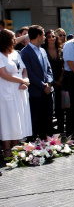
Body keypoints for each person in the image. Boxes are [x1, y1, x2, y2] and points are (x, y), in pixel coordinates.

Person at [0, 29, 32, 159]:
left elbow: (23, 69)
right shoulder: (0, 55)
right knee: (9, 120)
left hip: (20, 91)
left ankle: (16, 148)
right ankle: (7, 151)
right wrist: (22, 80)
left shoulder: (16, 54)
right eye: (12, 39)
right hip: (7, 92)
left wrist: (26, 80)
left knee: (18, 120)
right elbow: (3, 74)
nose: (15, 41)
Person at [20, 25, 54, 140]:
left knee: (48, 119)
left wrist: (49, 83)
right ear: (38, 36)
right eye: (44, 35)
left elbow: (49, 69)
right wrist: (42, 85)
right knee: (35, 120)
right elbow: (28, 72)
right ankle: (34, 147)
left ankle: (49, 144)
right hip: (35, 93)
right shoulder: (25, 53)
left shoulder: (43, 50)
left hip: (47, 91)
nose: (44, 37)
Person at [41, 29, 65, 133]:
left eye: (53, 36)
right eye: (49, 36)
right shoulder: (43, 50)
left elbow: (64, 65)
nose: (51, 38)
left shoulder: (60, 50)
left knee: (61, 104)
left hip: (60, 79)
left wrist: (59, 80)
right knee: (49, 106)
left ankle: (61, 126)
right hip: (48, 80)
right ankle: (49, 127)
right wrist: (52, 81)